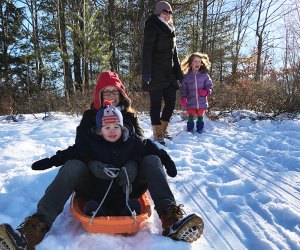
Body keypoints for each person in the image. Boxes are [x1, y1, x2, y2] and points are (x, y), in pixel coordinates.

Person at [0, 71, 204, 249]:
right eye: (106, 91)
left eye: (114, 91)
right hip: (95, 182)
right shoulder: (90, 116)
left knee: (151, 160)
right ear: (99, 94)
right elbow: (80, 148)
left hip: (127, 183)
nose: (111, 95)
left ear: (121, 93)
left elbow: (140, 145)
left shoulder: (130, 117)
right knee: (71, 166)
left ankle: (171, 220)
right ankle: (33, 230)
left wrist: (132, 166)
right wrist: (92, 164)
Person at [142, 1, 183, 145]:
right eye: (165, 12)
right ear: (158, 13)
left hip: (169, 73)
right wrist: (146, 72)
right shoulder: (152, 25)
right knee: (156, 104)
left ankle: (164, 129)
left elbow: (175, 55)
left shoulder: (171, 29)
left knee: (171, 102)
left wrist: (180, 75)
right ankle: (157, 133)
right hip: (155, 72)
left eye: (170, 12)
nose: (168, 15)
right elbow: (147, 50)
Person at [180, 52, 213, 133]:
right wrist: (183, 97)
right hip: (191, 100)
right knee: (190, 115)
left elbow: (209, 86)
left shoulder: (205, 75)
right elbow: (183, 88)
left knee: (200, 115)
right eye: (195, 61)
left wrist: (206, 92)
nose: (197, 63)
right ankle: (189, 129)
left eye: (199, 61)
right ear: (191, 63)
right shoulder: (187, 76)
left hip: (202, 101)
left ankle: (200, 129)